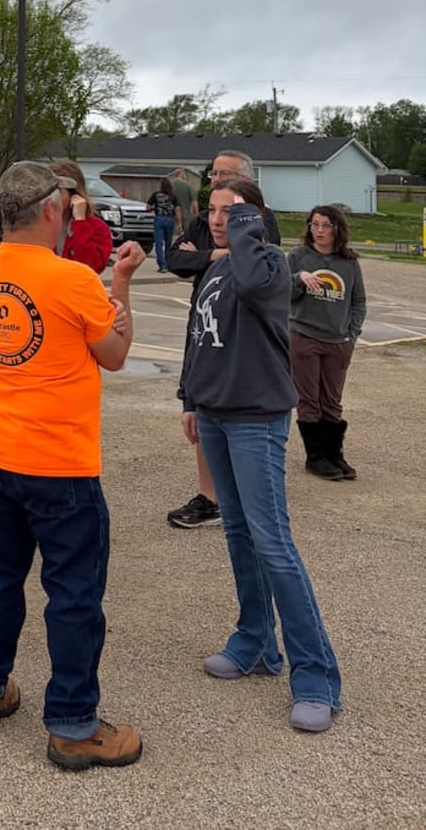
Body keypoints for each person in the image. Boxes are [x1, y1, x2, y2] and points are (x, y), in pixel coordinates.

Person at [0, 161, 147, 772]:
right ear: (50, 210)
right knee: (72, 595)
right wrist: (121, 284)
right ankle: (72, 724)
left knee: (0, 576)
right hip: (59, 463)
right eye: (64, 204)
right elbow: (115, 355)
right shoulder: (73, 280)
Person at [180, 176, 342, 733]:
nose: (220, 218)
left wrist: (250, 227)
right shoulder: (218, 265)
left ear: (255, 217)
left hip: (257, 417)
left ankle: (315, 673)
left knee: (273, 542)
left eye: (233, 211)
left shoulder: (268, 264)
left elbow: (252, 286)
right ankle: (254, 641)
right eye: (214, 210)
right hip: (217, 412)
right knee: (238, 533)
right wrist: (190, 397)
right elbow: (197, 334)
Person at [165, 149, 282, 529]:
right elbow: (175, 259)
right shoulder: (205, 220)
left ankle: (240, 491)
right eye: (213, 173)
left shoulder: (263, 221)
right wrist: (215, 255)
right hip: (205, 318)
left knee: (234, 415)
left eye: (225, 174)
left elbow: (258, 267)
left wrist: (209, 255)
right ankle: (209, 496)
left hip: (241, 333)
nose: (215, 179)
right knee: (200, 407)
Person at [287, 205, 366, 481]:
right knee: (309, 400)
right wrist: (298, 279)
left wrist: (351, 335)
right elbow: (281, 293)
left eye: (326, 226)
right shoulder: (297, 257)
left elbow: (358, 302)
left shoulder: (349, 262)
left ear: (337, 230)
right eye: (315, 224)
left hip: (337, 342)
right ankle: (316, 457)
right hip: (304, 338)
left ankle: (335, 454)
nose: (319, 231)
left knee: (332, 400)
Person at [49, 158, 112, 274]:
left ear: (74, 194)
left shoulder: (97, 228)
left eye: (58, 191)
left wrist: (80, 223)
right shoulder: (39, 224)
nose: (51, 197)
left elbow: (92, 267)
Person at [146, 177, 178, 273]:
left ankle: (162, 265)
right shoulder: (173, 196)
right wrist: (179, 222)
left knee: (159, 243)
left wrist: (153, 208)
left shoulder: (155, 195)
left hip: (159, 218)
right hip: (170, 219)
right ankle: (168, 263)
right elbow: (177, 209)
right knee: (168, 243)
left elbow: (147, 207)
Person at [170, 167, 198, 235]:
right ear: (182, 175)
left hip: (171, 214)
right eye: (185, 174)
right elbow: (194, 201)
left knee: (173, 236)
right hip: (186, 214)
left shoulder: (170, 185)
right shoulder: (188, 186)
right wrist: (196, 213)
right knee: (187, 235)